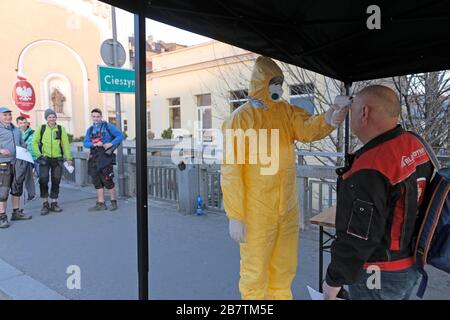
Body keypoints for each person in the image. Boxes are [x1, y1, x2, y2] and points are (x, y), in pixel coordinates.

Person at [221, 56, 348, 299]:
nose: (278, 87)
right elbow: (231, 169)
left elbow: (307, 129)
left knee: (284, 270)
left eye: (280, 82)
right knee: (255, 274)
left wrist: (330, 116)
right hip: (256, 212)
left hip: (286, 208)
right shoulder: (241, 119)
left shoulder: (286, 112)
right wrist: (235, 215)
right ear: (261, 83)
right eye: (273, 82)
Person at [322, 85, 434, 300]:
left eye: (352, 110)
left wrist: (333, 281)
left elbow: (358, 236)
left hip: (378, 273)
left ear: (364, 112)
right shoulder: (416, 143)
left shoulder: (372, 166)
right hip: (410, 265)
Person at [32, 109, 73, 215]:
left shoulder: (60, 129)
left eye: (53, 116)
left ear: (56, 118)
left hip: (57, 159)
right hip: (44, 159)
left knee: (56, 181)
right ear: (46, 118)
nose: (52, 118)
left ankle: (54, 203)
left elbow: (65, 145)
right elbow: (34, 143)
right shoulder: (41, 128)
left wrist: (68, 158)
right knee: (43, 180)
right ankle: (45, 204)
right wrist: (39, 155)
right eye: (49, 117)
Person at [83, 108, 124, 211]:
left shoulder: (107, 126)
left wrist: (110, 143)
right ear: (92, 117)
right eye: (94, 116)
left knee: (108, 180)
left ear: (101, 117)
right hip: (94, 156)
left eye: (98, 116)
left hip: (105, 156)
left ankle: (113, 202)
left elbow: (120, 136)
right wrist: (95, 144)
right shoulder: (90, 129)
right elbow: (85, 143)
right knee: (96, 181)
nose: (96, 118)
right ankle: (101, 203)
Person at [0, 107, 32, 228]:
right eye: (5, 115)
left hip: (17, 163)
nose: (8, 117)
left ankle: (16, 212)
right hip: (3, 163)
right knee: (3, 191)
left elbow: (22, 145)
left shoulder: (16, 130)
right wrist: (1, 150)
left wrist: (26, 155)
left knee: (17, 187)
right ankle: (2, 216)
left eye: (9, 115)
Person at [16, 116, 37, 201]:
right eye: (21, 123)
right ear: (17, 124)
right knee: (25, 177)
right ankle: (29, 194)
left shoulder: (34, 133)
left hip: (35, 158)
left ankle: (33, 193)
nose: (23, 125)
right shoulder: (16, 133)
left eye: (24, 122)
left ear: (27, 123)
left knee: (41, 177)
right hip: (22, 159)